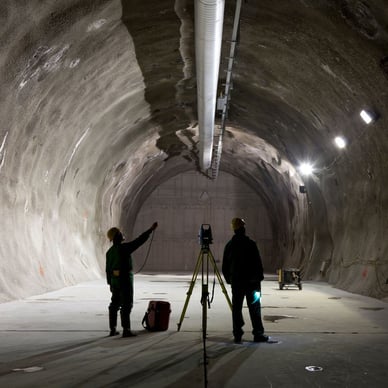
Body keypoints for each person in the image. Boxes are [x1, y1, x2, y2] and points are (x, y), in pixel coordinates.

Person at [106, 222, 158, 337]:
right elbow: (138, 241)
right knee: (126, 304)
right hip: (125, 281)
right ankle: (126, 330)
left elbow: (108, 270)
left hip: (115, 282)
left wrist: (110, 284)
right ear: (117, 237)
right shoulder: (124, 248)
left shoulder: (109, 252)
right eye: (119, 233)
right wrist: (150, 230)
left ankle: (113, 329)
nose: (121, 234)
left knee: (114, 304)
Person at [222, 217, 268, 344]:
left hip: (237, 283)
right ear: (243, 228)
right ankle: (258, 334)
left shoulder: (229, 246)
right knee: (255, 308)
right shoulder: (251, 243)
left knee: (236, 309)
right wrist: (259, 278)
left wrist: (229, 280)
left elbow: (225, 266)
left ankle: (237, 335)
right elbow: (258, 263)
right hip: (252, 283)